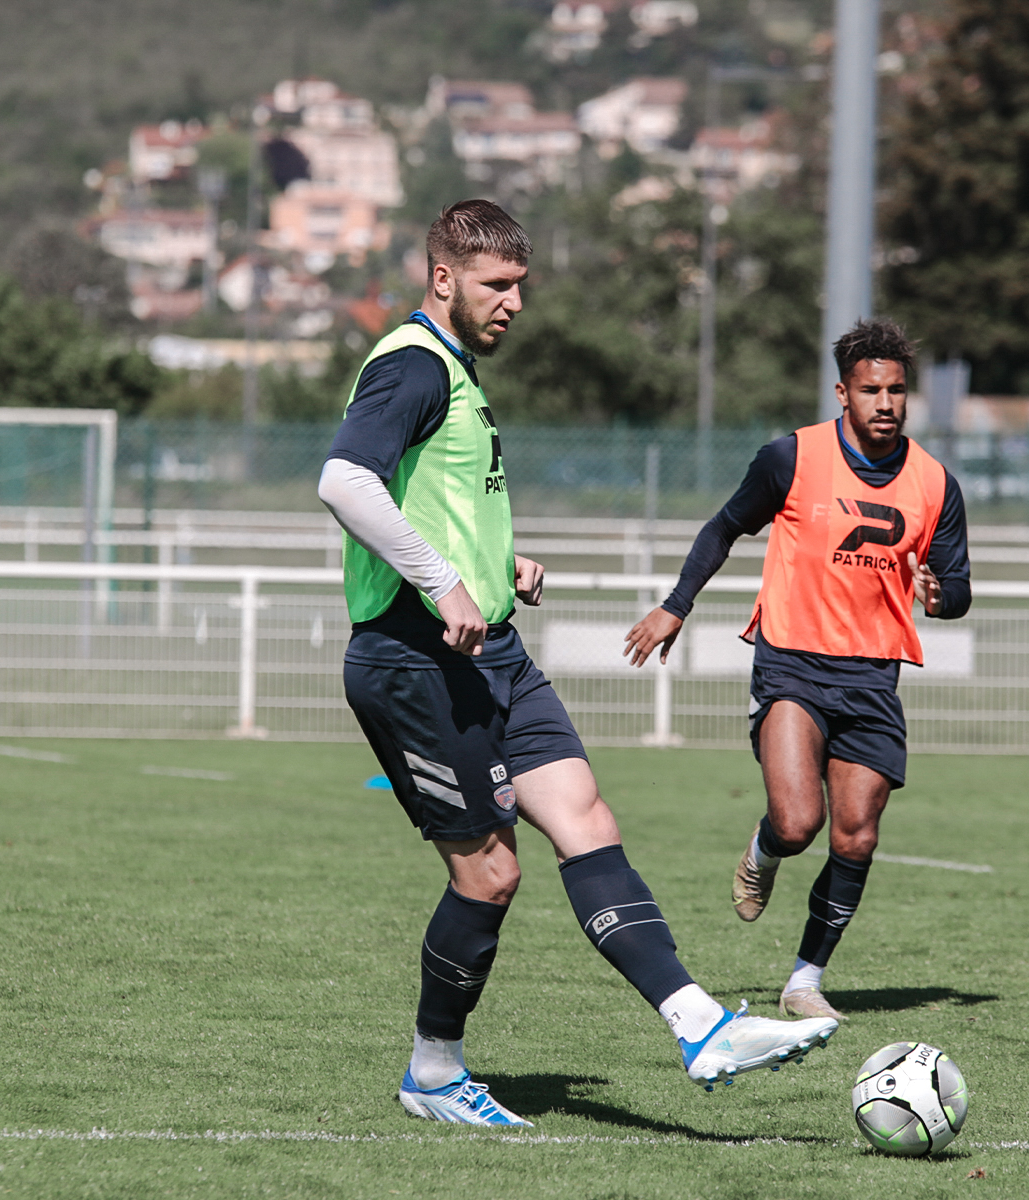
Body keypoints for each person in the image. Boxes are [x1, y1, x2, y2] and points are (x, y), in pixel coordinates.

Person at [317, 199, 837, 1127]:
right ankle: (433, 1073)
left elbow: (430, 497)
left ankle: (699, 1025)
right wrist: (444, 582)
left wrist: (495, 566)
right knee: (489, 876)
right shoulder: (413, 364)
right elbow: (344, 480)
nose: (514, 302)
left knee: (586, 817)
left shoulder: (460, 376)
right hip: (413, 659)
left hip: (491, 653)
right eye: (496, 285)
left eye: (522, 286)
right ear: (444, 278)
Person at [624, 318, 971, 1021]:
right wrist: (674, 606)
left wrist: (942, 594)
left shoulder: (936, 484)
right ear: (843, 392)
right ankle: (764, 848)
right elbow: (723, 526)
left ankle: (805, 980)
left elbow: (958, 588)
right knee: (797, 820)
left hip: (874, 676)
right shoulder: (792, 458)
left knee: (858, 834)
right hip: (792, 662)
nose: (886, 404)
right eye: (871, 389)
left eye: (897, 391)